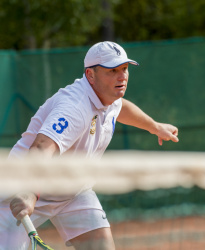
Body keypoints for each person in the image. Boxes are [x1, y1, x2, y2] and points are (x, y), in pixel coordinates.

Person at [0, 41, 179, 250]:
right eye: (112, 71)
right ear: (90, 75)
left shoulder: (108, 97)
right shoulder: (74, 107)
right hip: (23, 190)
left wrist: (155, 127)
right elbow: (41, 147)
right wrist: (29, 191)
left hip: (74, 190)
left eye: (124, 69)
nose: (121, 76)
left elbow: (120, 108)